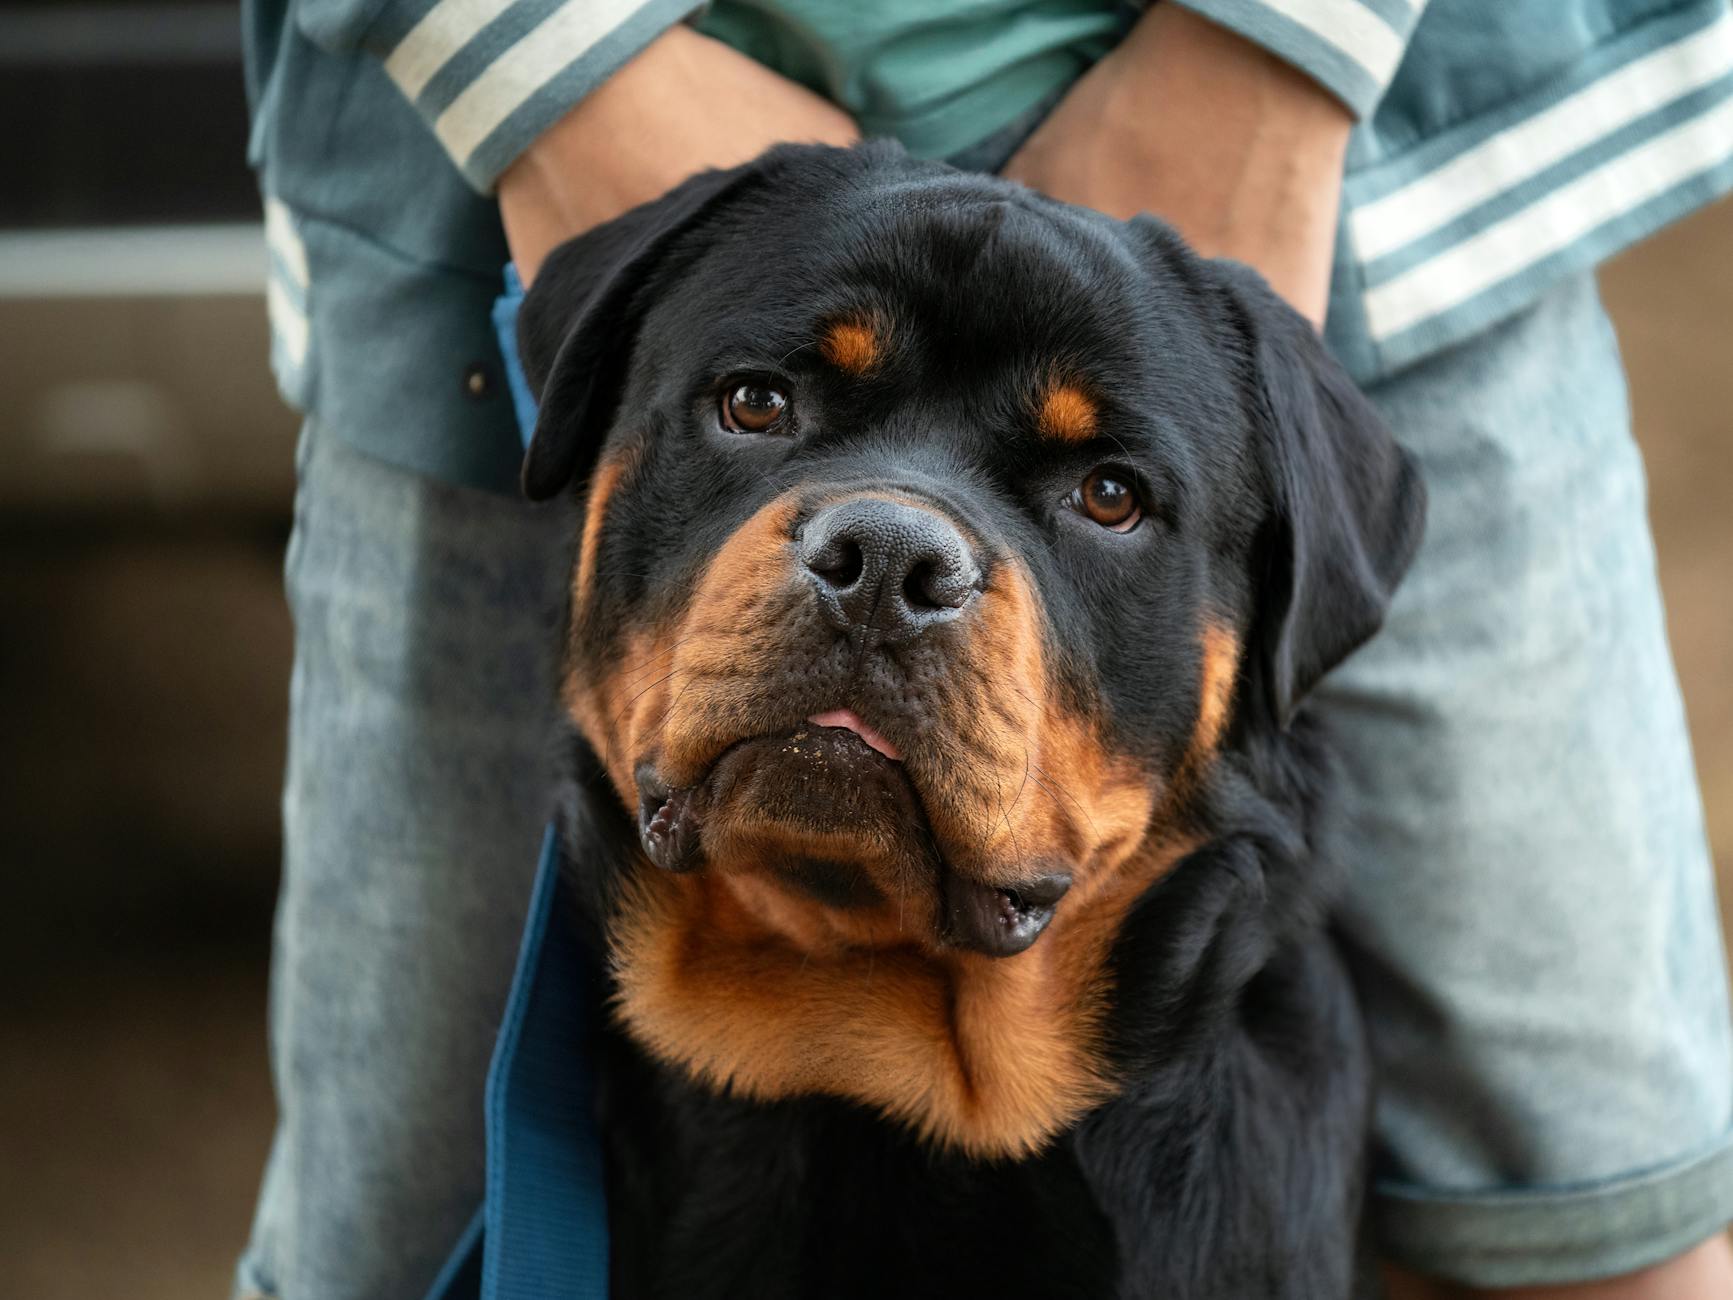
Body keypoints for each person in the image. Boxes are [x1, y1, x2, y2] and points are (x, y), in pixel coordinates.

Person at [235, 1, 1733, 1296]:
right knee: (384, 1250)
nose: (892, 556)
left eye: (1102, 493)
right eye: (762, 410)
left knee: (1600, 1228)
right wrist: (538, 54)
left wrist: (1277, 48)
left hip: (1341, 181)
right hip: (530, 152)